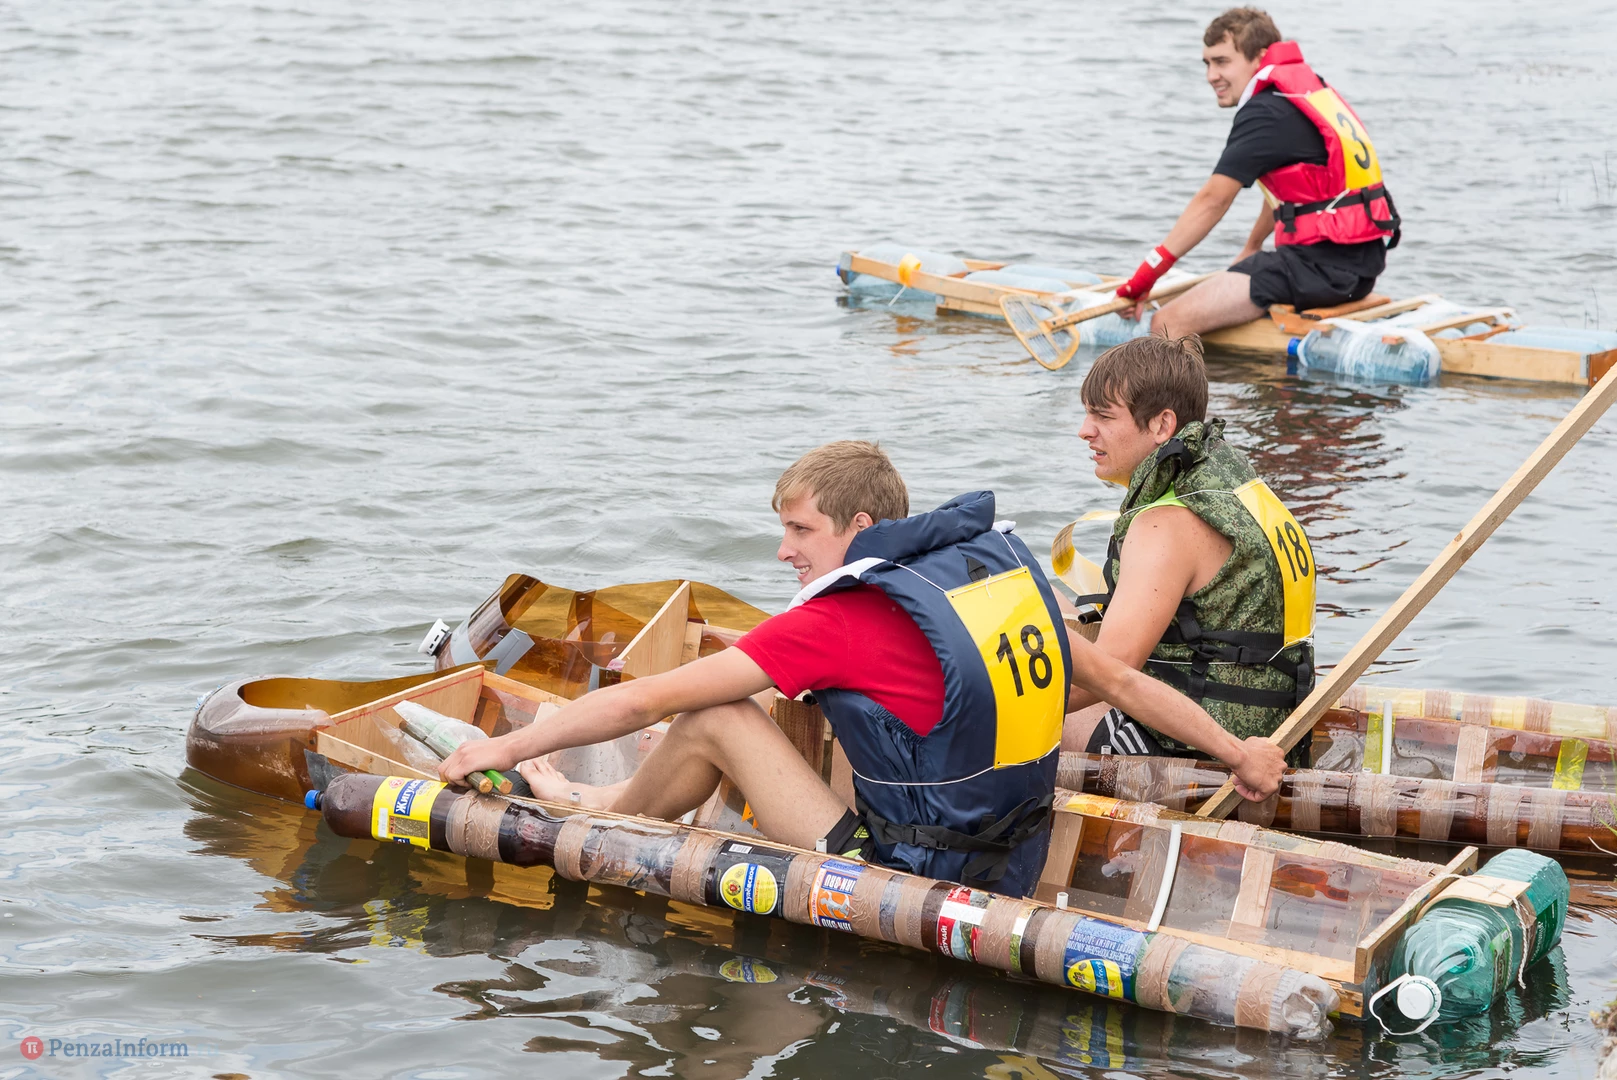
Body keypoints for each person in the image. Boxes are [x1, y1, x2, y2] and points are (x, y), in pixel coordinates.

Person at [441, 440, 1278, 899]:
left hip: (902, 873)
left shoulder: (836, 621)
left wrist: (502, 749)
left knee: (713, 716)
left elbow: (644, 702)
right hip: (1012, 855)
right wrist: (1241, 754)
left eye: (801, 531)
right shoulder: (979, 585)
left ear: (862, 526)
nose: (783, 550)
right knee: (827, 705)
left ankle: (605, 812)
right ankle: (613, 796)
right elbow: (1121, 683)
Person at [1061, 335, 1314, 768]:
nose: (1084, 430)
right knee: (1043, 600)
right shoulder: (1225, 480)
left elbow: (1112, 672)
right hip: (1270, 720)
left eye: (1102, 416)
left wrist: (991, 704)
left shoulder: (1165, 524)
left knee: (1019, 706)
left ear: (1162, 425)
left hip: (1198, 752)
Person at [1114, 7, 1400, 338]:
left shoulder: (1265, 113)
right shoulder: (1302, 92)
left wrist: (1144, 279)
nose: (1211, 75)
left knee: (1166, 323)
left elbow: (1212, 201)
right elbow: (1292, 189)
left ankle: (1184, 372)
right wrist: (1252, 246)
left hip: (1320, 270)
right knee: (1232, 280)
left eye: (1222, 62)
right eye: (1207, 63)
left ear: (1259, 57)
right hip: (1359, 266)